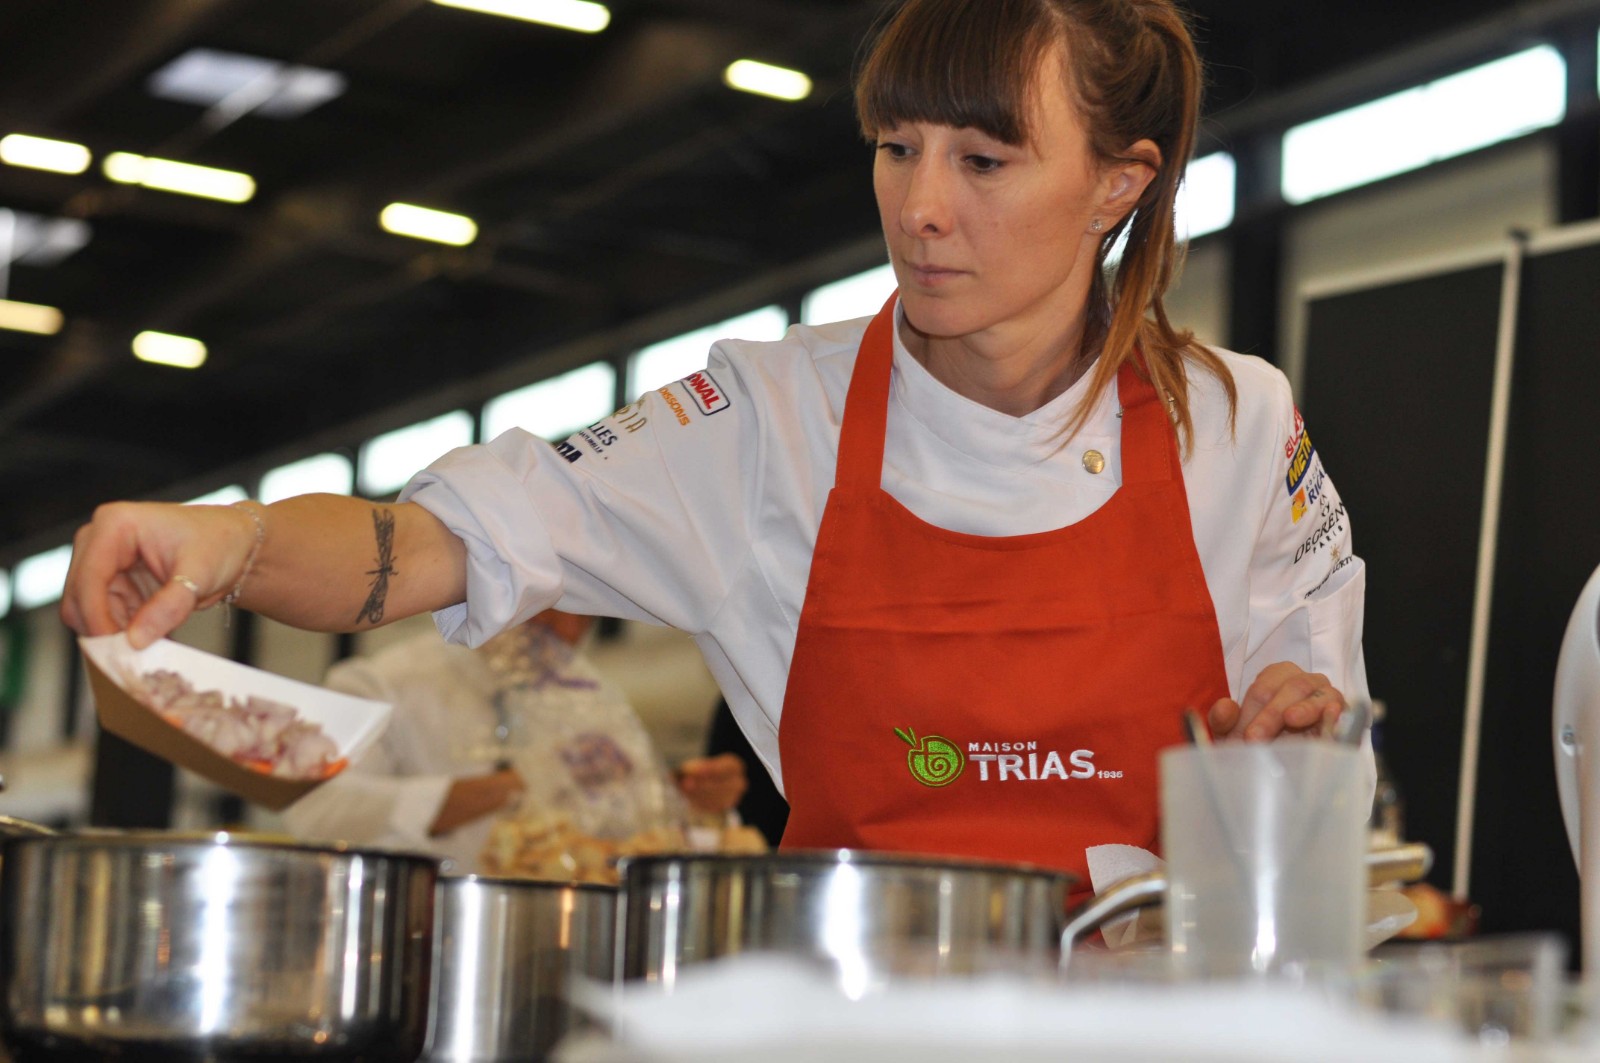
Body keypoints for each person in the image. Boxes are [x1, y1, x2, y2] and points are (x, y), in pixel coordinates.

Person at [62, 0, 1371, 885]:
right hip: (851, 1016)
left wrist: (1295, 751)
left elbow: (1323, 763)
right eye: (895, 147)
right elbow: (428, 545)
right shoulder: (765, 421)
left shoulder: (1237, 426)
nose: (918, 207)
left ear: (1118, 183)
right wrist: (229, 542)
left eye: (984, 161)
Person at [281, 609, 747, 872]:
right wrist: (512, 785)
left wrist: (690, 801)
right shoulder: (384, 683)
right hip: (423, 935)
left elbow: (624, 828)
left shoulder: (594, 701)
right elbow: (315, 807)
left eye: (583, 609)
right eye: (548, 603)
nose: (567, 628)